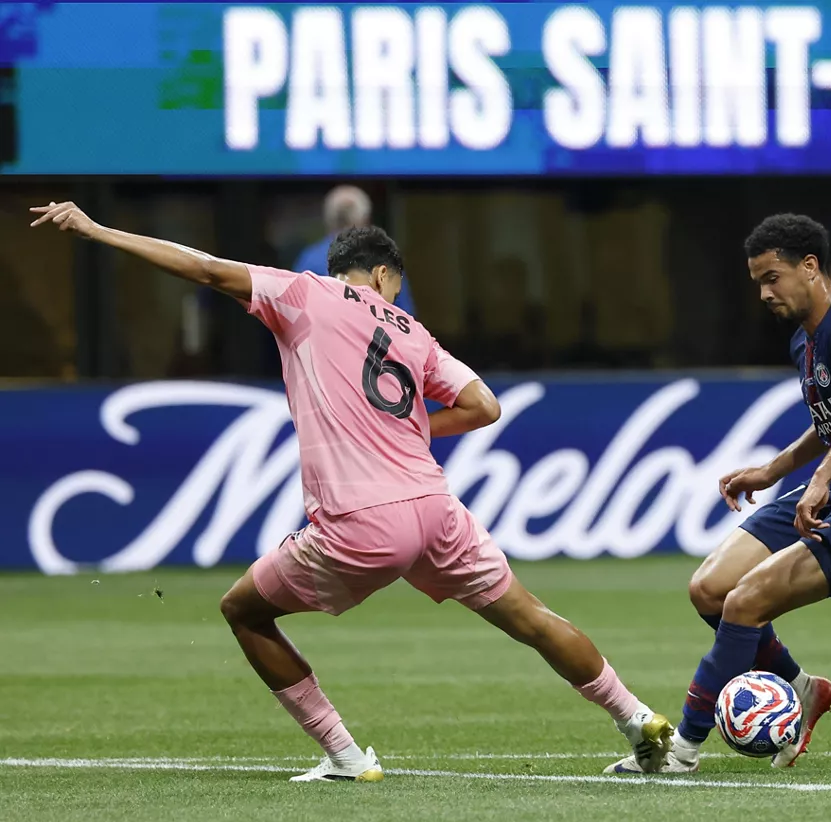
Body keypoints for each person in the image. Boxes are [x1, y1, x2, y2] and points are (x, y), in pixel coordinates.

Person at [31, 201, 673, 783]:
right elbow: (484, 405)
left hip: (361, 518)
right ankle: (638, 718)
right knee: (532, 620)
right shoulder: (412, 332)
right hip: (435, 509)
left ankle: (342, 755)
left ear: (339, 268)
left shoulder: (302, 294)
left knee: (243, 610)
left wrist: (97, 230)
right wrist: (419, 429)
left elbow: (203, 268)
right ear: (385, 275)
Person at [607, 214, 831, 774]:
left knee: (745, 602)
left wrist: (821, 478)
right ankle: (802, 690)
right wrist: (773, 469)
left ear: (810, 267)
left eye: (773, 277)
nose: (764, 292)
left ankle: (679, 753)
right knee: (710, 589)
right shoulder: (804, 340)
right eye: (757, 280)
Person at [295, 186, 417, 316]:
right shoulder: (384, 260)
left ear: (329, 220)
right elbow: (405, 317)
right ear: (366, 220)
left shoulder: (308, 260)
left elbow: (294, 313)